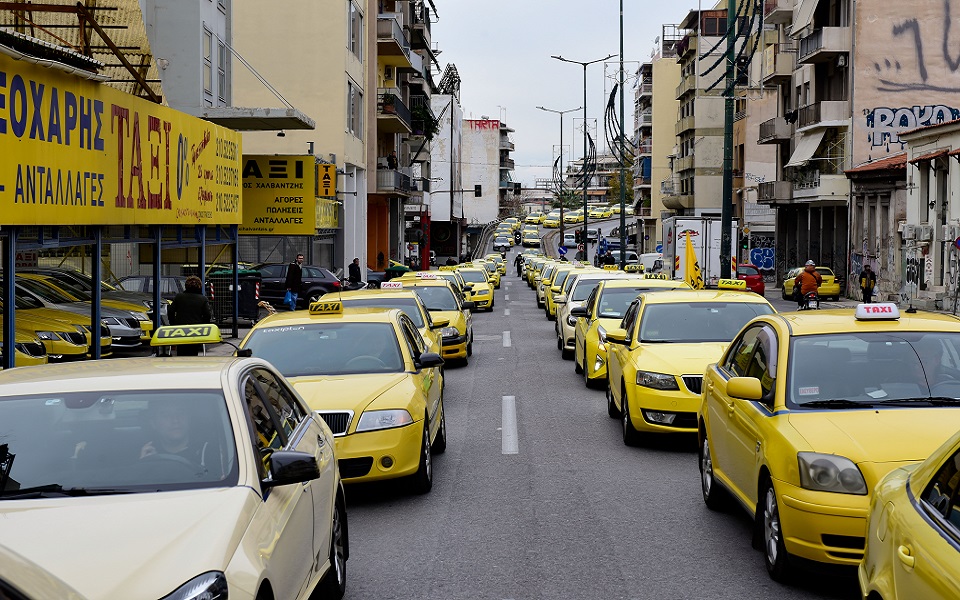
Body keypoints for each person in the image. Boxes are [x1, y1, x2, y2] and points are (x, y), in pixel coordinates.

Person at [140, 399, 211, 474]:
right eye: (166, 415)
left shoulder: (209, 451)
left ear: (189, 419)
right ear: (153, 423)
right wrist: (144, 466)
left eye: (181, 413)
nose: (175, 420)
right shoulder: (147, 454)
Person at [169, 276, 212, 356]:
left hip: (180, 329)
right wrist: (202, 325)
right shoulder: (202, 299)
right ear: (199, 286)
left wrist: (173, 324)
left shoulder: (179, 297)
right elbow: (207, 315)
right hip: (196, 329)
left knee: (181, 350)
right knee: (193, 351)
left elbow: (171, 312)